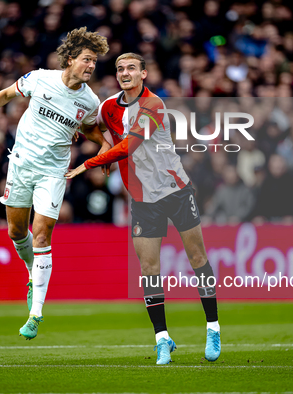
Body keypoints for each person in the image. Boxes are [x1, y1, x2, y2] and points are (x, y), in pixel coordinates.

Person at [0, 27, 110, 340]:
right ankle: (33, 273)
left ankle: (36, 314)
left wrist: (103, 146)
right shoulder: (40, 78)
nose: (91, 66)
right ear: (70, 59)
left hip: (53, 173)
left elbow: (89, 129)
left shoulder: (90, 101)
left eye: (95, 62)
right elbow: (6, 95)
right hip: (20, 165)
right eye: (87, 60)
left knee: (43, 233)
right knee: (16, 232)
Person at [65, 53, 221, 365]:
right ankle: (162, 339)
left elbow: (130, 145)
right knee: (149, 269)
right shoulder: (108, 106)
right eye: (120, 68)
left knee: (197, 258)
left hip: (175, 190)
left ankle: (213, 328)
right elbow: (101, 131)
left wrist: (92, 162)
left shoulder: (154, 105)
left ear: (144, 74)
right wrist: (105, 145)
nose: (124, 73)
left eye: (131, 68)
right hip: (142, 197)